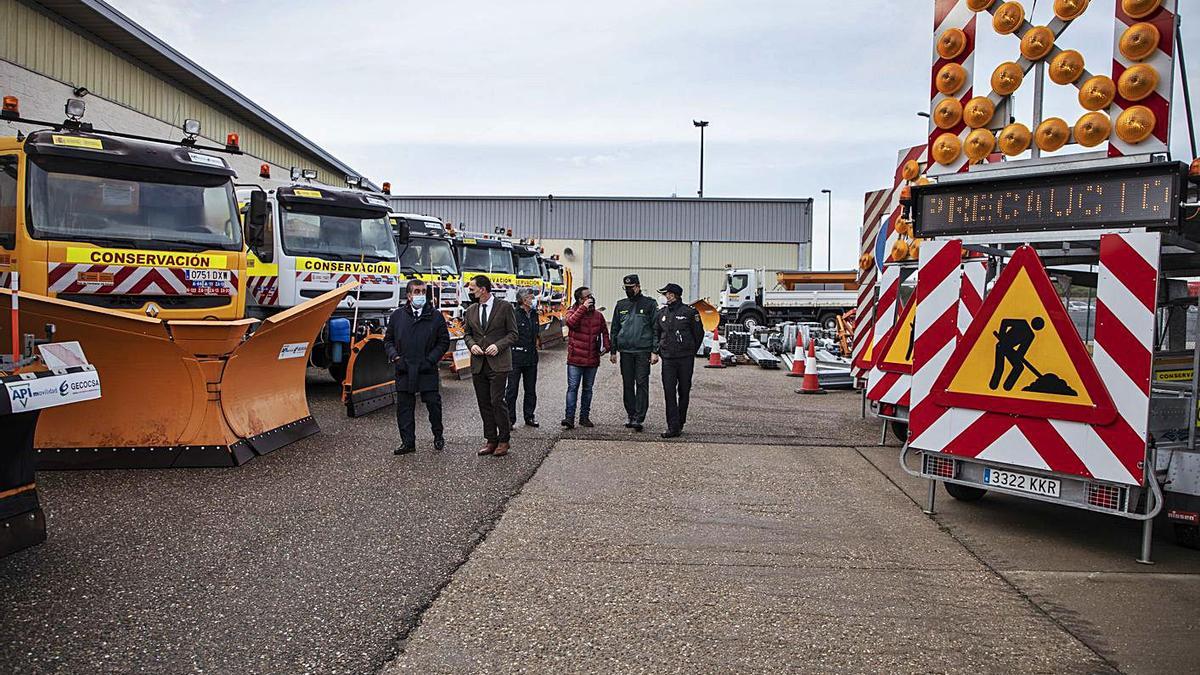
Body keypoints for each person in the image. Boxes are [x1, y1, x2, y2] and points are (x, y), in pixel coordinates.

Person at [384, 279, 451, 455]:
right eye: (417, 291)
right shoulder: (398, 316)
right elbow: (388, 340)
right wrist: (396, 357)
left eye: (423, 291)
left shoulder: (435, 316)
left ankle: (438, 435)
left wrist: (431, 360)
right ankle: (408, 442)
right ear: (408, 295)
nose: (420, 295)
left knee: (433, 405)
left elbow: (443, 341)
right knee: (404, 407)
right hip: (404, 368)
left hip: (426, 368)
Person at [463, 275, 519, 457]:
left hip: (499, 364)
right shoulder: (470, 310)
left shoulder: (505, 307)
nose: (470, 292)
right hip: (479, 364)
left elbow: (513, 334)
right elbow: (467, 334)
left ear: (483, 289)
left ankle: (504, 440)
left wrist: (499, 345)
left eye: (472, 289)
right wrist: (472, 345)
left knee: (496, 401)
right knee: (484, 403)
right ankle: (490, 440)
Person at [654, 283, 704, 439]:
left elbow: (698, 334)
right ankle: (672, 426)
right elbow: (656, 332)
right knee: (669, 392)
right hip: (668, 358)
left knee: (684, 391)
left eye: (667, 294)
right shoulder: (661, 313)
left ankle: (680, 422)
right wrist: (658, 350)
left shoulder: (689, 313)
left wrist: (690, 351)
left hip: (685, 359)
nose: (665, 297)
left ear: (673, 295)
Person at [609, 274, 658, 432]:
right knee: (627, 384)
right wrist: (613, 350)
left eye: (630, 288)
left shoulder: (649, 304)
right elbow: (615, 329)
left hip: (643, 351)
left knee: (642, 383)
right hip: (626, 351)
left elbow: (656, 328)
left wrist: (654, 351)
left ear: (638, 286)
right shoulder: (621, 305)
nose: (628, 291)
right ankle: (631, 414)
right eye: (626, 288)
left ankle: (639, 416)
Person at [563, 286, 610, 429]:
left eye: (591, 295)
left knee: (587, 389)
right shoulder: (572, 312)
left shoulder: (598, 315)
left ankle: (584, 417)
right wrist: (582, 308)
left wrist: (606, 347)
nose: (591, 298)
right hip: (575, 359)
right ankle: (569, 418)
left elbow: (604, 333)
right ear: (580, 299)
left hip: (592, 359)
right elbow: (571, 323)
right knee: (573, 388)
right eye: (587, 296)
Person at [506, 288, 540, 428]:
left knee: (530, 389)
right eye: (531, 298)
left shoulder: (534, 314)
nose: (534, 300)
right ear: (524, 300)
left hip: (531, 358)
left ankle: (529, 416)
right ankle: (509, 419)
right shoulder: (513, 314)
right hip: (516, 357)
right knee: (512, 390)